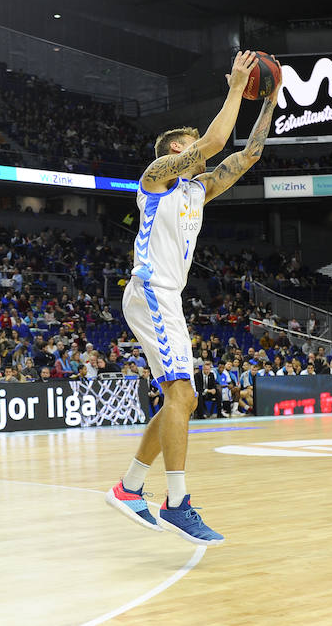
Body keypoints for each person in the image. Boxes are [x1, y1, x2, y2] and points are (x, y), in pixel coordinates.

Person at [106, 50, 280, 546]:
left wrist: (271, 98)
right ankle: (177, 503)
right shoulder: (157, 176)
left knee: (178, 399)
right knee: (183, 394)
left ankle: (130, 487)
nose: (199, 152)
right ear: (178, 150)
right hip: (150, 290)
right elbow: (218, 140)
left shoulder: (197, 191)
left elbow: (246, 156)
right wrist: (236, 86)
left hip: (168, 295)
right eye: (192, 146)